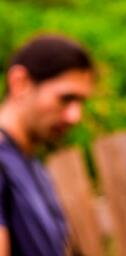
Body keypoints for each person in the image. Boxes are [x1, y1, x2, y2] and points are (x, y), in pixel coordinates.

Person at [0, 35, 95, 256]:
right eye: (65, 98)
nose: (75, 116)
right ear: (20, 83)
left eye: (81, 102)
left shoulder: (30, 161)